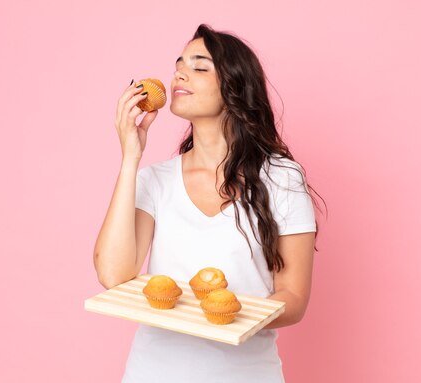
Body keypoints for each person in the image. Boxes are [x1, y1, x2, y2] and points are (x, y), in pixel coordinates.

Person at [94, 24, 324, 383]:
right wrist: (130, 159)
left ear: (235, 86)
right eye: (179, 65)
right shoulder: (155, 180)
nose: (179, 74)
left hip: (246, 374)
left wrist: (225, 315)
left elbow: (294, 297)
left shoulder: (281, 178)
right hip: (154, 372)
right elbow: (113, 274)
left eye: (200, 67)